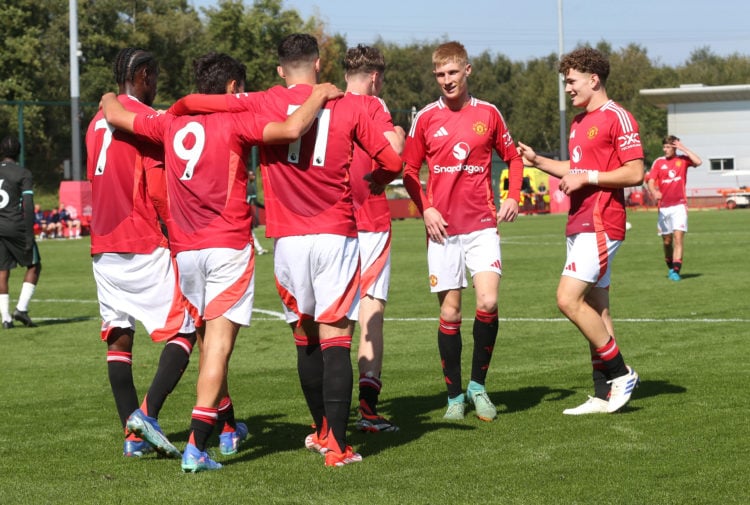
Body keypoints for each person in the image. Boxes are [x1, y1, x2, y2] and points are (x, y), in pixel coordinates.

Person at [101, 51, 343, 472]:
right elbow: (290, 127)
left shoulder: (169, 121)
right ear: (233, 87)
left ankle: (226, 428)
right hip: (227, 247)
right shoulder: (235, 118)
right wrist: (319, 93)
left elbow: (117, 115)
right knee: (219, 346)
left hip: (186, 251)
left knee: (211, 341)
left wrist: (108, 94)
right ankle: (197, 446)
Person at [168, 34, 402, 466]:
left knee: (304, 337)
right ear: (318, 64)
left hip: (287, 239)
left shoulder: (259, 101)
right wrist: (380, 179)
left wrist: (181, 105)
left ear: (279, 69)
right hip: (335, 233)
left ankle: (319, 431)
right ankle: (337, 447)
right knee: (336, 338)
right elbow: (391, 160)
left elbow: (209, 105)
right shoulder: (348, 104)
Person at [86, 47, 198, 460]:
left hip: (102, 245)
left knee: (119, 336)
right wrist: (182, 230)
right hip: (141, 241)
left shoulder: (96, 122)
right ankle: (146, 416)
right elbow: (156, 187)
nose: (157, 85)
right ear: (144, 75)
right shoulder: (141, 121)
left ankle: (132, 439)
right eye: (155, 77)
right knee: (187, 328)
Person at [401, 41, 523, 422]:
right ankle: (454, 396)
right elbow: (408, 171)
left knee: (487, 302)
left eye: (452, 73)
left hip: (482, 225)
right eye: (440, 75)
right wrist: (427, 208)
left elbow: (514, 158)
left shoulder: (488, 113)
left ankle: (478, 386)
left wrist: (513, 195)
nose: (446, 81)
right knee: (451, 313)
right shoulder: (424, 118)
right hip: (442, 232)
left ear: (467, 71)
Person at [517, 47, 642, 415]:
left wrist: (587, 176)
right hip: (579, 222)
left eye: (571, 81)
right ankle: (605, 394)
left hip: (602, 223)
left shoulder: (618, 117)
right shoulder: (578, 122)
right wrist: (538, 160)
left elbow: (635, 172)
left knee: (567, 299)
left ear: (594, 79)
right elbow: (576, 166)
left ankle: (622, 372)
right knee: (596, 308)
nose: (567, 88)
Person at [344, 44, 405, 433]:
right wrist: (398, 130)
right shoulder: (374, 107)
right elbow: (395, 151)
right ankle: (367, 409)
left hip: (332, 223)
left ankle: (328, 415)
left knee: (334, 317)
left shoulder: (326, 104)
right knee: (371, 311)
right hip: (370, 219)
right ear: (375, 77)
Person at [645, 135, 702, 281]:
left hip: (679, 206)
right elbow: (651, 181)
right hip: (663, 208)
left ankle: (676, 271)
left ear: (674, 148)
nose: (665, 150)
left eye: (669, 147)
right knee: (667, 241)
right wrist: (654, 191)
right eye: (664, 147)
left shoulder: (682, 160)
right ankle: (671, 266)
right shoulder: (659, 162)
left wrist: (683, 148)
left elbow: (699, 161)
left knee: (678, 238)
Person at [0, 135, 42, 329]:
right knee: (34, 266)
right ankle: (21, 309)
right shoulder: (23, 173)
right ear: (19, 151)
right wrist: (29, 233)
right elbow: (27, 205)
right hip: (16, 225)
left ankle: (6, 318)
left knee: (2, 270)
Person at [246, 168, 268, 255]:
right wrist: (266, 207)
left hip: (239, 212)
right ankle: (259, 250)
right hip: (245, 213)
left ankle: (259, 249)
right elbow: (255, 202)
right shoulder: (250, 187)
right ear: (248, 176)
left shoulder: (243, 185)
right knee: (250, 233)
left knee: (249, 233)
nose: (254, 176)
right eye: (252, 175)